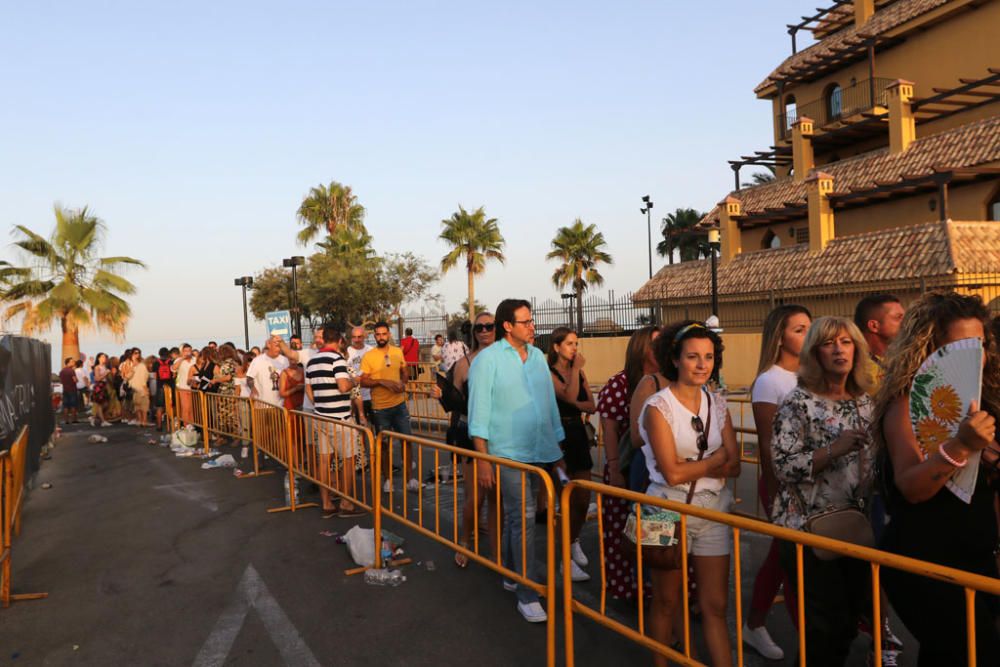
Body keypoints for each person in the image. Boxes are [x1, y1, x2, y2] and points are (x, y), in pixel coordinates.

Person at [871, 293, 1000, 666]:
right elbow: (911, 486)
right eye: (960, 347)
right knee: (975, 654)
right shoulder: (906, 403)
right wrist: (961, 445)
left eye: (980, 345)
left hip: (977, 560)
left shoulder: (986, 405)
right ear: (930, 349)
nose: (974, 356)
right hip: (924, 561)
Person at [771, 316, 877, 667]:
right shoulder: (797, 402)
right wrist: (836, 448)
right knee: (823, 627)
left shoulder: (867, 401)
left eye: (846, 342)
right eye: (830, 343)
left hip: (855, 526)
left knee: (848, 622)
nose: (839, 349)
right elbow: (783, 466)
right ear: (815, 352)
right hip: (807, 528)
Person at [639, 321, 740, 667]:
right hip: (662, 509)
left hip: (713, 512)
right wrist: (714, 461)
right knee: (665, 601)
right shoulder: (657, 407)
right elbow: (670, 473)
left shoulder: (718, 404)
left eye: (709, 357)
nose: (702, 364)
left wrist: (694, 465)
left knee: (715, 606)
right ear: (675, 359)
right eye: (693, 356)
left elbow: (735, 464)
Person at [468, 299, 565, 624]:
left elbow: (548, 404)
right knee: (522, 519)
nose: (532, 326)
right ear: (508, 326)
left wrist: (558, 447)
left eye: (531, 320)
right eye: (525, 322)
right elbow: (478, 412)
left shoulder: (537, 357)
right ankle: (527, 592)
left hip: (538, 449)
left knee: (516, 518)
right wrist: (483, 460)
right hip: (506, 453)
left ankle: (511, 574)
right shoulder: (488, 360)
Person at [742, 305, 811, 660]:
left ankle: (754, 623)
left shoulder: (812, 374)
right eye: (799, 329)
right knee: (795, 560)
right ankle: (813, 645)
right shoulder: (770, 380)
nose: (808, 334)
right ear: (780, 336)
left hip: (814, 483)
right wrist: (779, 495)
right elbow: (769, 446)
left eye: (809, 328)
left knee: (783, 557)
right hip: (785, 486)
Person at [596, 325, 658, 600]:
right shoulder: (620, 383)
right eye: (657, 344)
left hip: (658, 473)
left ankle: (658, 591)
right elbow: (609, 429)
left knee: (656, 534)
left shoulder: (670, 380)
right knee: (625, 530)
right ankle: (630, 590)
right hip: (625, 467)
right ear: (641, 349)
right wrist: (613, 467)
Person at [448, 311, 500, 568]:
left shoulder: (506, 358)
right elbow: (455, 403)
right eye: (479, 328)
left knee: (496, 499)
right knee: (476, 497)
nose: (484, 331)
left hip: (501, 437)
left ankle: (495, 552)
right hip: (471, 435)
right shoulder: (464, 364)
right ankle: (465, 542)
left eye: (489, 326)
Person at [548, 327, 597, 583]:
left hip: (578, 434)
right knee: (565, 500)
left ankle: (574, 539)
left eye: (576, 344)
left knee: (583, 497)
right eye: (569, 344)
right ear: (556, 347)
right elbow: (566, 395)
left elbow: (591, 404)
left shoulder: (579, 372)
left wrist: (576, 403)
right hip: (558, 438)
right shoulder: (550, 373)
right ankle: (564, 560)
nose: (574, 349)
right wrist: (576, 371)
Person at [305, 325, 364, 516]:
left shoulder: (312, 362)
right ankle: (346, 503)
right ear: (339, 341)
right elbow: (343, 385)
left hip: (320, 416)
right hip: (339, 419)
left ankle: (327, 503)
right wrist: (356, 380)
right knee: (347, 461)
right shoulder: (337, 359)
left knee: (323, 461)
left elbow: (310, 390)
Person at [361, 322, 419, 491]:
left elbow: (404, 370)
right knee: (384, 445)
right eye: (378, 334)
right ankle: (388, 480)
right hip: (380, 408)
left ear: (389, 334)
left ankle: (410, 480)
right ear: (374, 336)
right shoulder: (369, 356)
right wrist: (381, 381)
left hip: (399, 405)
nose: (381, 337)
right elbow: (363, 380)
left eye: (384, 334)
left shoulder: (397, 352)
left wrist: (403, 381)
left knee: (407, 441)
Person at [854, 294, 905, 379]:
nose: (905, 322)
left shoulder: (902, 360)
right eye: (898, 318)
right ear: (874, 326)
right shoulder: (858, 369)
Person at [247, 338, 290, 407]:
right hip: (262, 405)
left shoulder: (285, 361)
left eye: (279, 345)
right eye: (276, 345)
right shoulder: (257, 360)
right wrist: (253, 389)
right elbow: (249, 377)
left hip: (280, 405)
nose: (278, 348)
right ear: (269, 345)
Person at [345, 327, 373, 426]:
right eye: (354, 337)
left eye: (359, 337)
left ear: (364, 336)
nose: (356, 340)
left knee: (377, 424)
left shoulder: (370, 350)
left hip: (371, 394)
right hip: (356, 396)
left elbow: (373, 367)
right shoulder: (347, 351)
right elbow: (347, 368)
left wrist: (361, 376)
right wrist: (356, 377)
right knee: (360, 425)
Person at [125, 348, 151, 428]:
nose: (137, 355)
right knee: (141, 406)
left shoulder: (139, 365)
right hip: (137, 388)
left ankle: (142, 421)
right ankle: (142, 421)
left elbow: (144, 377)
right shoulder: (130, 365)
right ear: (131, 354)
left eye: (138, 353)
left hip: (137, 388)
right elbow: (126, 377)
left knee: (141, 407)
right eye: (135, 353)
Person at [173, 344, 196, 425]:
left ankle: (193, 426)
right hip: (183, 387)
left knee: (193, 408)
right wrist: (182, 358)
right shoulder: (178, 360)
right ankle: (186, 426)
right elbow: (173, 369)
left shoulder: (195, 359)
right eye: (186, 351)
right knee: (186, 408)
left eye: (189, 351)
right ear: (182, 352)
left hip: (194, 387)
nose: (188, 353)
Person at [152, 347, 174, 431]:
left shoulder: (156, 363)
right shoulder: (171, 362)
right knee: (172, 406)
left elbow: (154, 376)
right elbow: (174, 374)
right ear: (168, 354)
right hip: (170, 386)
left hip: (160, 386)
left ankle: (159, 426)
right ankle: (172, 425)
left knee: (159, 407)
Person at [90, 353, 112, 427]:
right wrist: (106, 373)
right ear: (98, 358)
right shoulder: (97, 367)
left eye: (105, 357)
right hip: (99, 386)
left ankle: (93, 417)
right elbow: (97, 378)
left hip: (105, 385)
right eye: (102, 357)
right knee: (100, 404)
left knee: (106, 404)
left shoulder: (105, 366)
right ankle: (103, 421)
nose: (104, 358)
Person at [59, 358, 79, 424]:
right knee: (73, 405)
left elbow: (61, 381)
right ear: (68, 363)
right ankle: (74, 419)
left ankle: (66, 420)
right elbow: (75, 380)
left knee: (66, 406)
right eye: (72, 361)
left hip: (65, 390)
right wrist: (77, 380)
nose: (74, 363)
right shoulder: (71, 371)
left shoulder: (62, 371)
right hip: (72, 390)